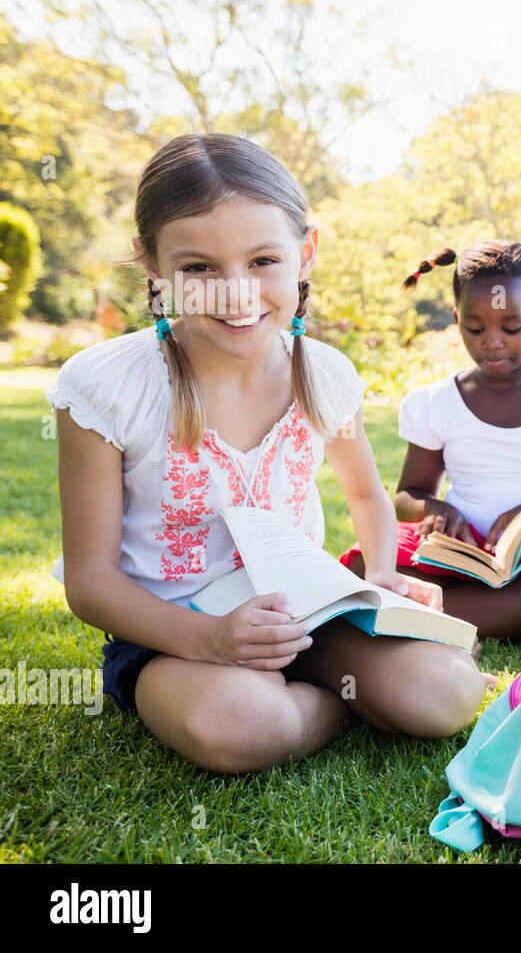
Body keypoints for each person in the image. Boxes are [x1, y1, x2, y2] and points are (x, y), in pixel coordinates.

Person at [49, 133, 486, 775]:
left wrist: (383, 572)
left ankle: (327, 686)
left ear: (305, 253)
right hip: (176, 636)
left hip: (307, 609)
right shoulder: (107, 386)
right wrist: (213, 640)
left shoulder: (324, 375)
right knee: (241, 724)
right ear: (151, 263)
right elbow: (91, 583)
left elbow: (365, 494)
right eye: (198, 268)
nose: (236, 293)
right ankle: (332, 703)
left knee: (447, 692)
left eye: (262, 260)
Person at [341, 240, 521, 639]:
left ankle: (420, 610)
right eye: (475, 328)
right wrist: (436, 508)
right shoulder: (435, 401)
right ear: (457, 320)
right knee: (363, 563)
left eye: (511, 328)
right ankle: (442, 607)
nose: (492, 341)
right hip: (460, 551)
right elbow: (408, 496)